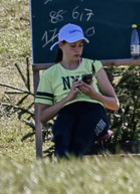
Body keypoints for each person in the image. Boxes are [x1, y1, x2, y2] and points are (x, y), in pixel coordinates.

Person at [35, 23, 120, 158]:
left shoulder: (93, 65)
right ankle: (65, 168)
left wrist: (94, 94)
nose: (77, 50)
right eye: (73, 45)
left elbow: (115, 104)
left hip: (95, 112)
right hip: (67, 112)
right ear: (61, 45)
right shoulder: (50, 74)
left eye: (80, 45)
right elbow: (42, 117)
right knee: (62, 137)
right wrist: (68, 98)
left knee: (80, 139)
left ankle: (70, 168)